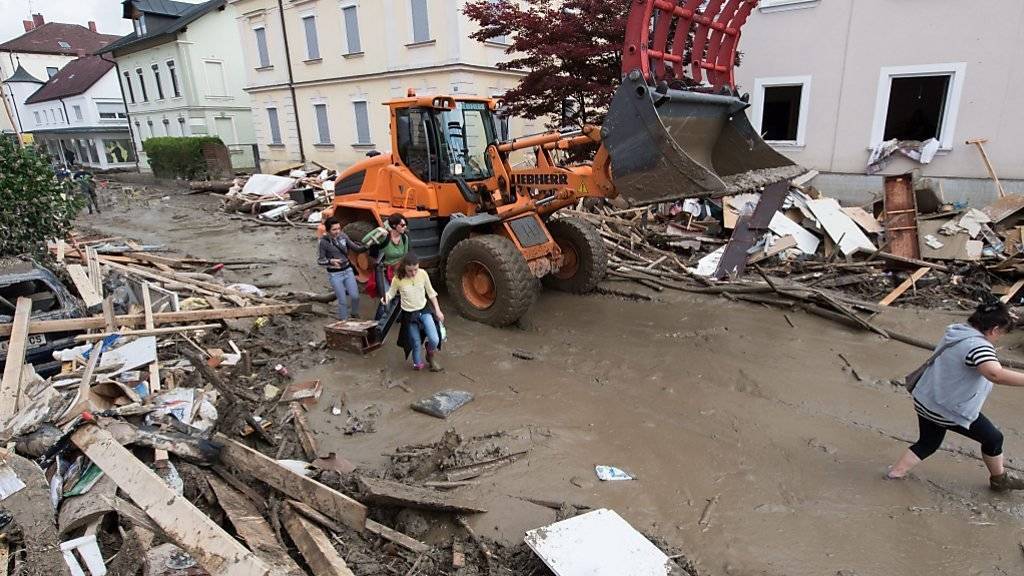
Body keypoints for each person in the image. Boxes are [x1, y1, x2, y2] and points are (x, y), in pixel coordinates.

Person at [887, 300, 1024, 491]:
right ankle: (999, 480)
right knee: (994, 439)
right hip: (947, 410)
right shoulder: (979, 346)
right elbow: (995, 374)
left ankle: (894, 473)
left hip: (926, 400)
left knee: (928, 443)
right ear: (994, 329)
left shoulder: (957, 331)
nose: (998, 338)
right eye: (1000, 333)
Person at [384, 253, 445, 372]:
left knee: (435, 339)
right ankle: (418, 364)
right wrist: (385, 298)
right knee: (416, 343)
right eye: (410, 270)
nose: (413, 273)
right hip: (409, 314)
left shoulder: (423, 274)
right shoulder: (398, 278)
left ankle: (429, 352)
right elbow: (390, 293)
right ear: (404, 268)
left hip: (424, 310)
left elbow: (431, 293)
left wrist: (438, 311)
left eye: (415, 269)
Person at [317, 218, 367, 320]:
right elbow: (320, 260)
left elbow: (356, 248)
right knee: (342, 301)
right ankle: (343, 321)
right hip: (335, 275)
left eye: (339, 228)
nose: (337, 232)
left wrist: (368, 245)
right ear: (328, 231)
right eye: (334, 230)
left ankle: (354, 313)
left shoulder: (343, 236)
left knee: (355, 296)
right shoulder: (323, 242)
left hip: (348, 271)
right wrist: (331, 261)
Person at [362, 214, 410, 300]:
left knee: (405, 294)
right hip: (384, 271)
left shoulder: (404, 238)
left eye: (406, 224)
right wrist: (378, 230)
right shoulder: (384, 238)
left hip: (398, 270)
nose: (405, 227)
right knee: (387, 297)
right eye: (402, 225)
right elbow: (364, 240)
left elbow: (405, 255)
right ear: (394, 225)